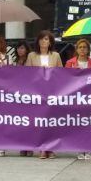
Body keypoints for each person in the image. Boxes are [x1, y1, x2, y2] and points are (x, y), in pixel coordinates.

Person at [26, 31, 62, 159]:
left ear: (50, 42)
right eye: (41, 39)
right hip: (37, 93)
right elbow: (26, 74)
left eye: (46, 39)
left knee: (51, 122)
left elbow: (61, 74)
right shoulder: (31, 55)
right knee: (40, 122)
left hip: (51, 93)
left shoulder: (56, 56)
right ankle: (42, 148)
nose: (43, 41)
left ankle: (51, 148)